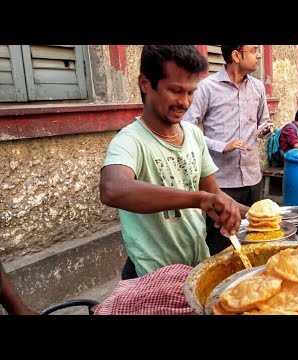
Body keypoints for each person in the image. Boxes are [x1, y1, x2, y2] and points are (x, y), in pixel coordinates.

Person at [99, 45, 245, 279]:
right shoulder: (130, 140)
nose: (185, 102)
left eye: (190, 92)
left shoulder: (193, 134)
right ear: (145, 83)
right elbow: (112, 189)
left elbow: (213, 194)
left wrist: (265, 216)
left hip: (196, 265)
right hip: (151, 276)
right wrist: (199, 199)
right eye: (175, 91)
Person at [183, 45, 271, 255]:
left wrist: (265, 129)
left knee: (256, 239)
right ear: (236, 55)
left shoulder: (258, 87)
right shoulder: (207, 87)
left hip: (252, 177)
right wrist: (221, 146)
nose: (258, 55)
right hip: (222, 183)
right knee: (221, 244)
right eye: (253, 50)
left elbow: (264, 120)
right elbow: (187, 129)